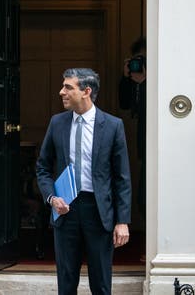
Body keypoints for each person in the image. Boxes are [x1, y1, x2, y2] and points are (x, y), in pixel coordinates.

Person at [36, 68, 131, 295]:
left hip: (98, 212)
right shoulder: (57, 123)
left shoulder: (112, 125)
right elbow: (43, 168)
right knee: (66, 282)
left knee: (100, 282)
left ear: (86, 91)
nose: (61, 92)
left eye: (68, 87)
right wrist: (52, 198)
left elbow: (122, 177)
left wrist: (122, 221)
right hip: (65, 210)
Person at [119, 37, 146, 222]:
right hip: (143, 144)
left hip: (156, 144)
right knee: (142, 193)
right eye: (137, 59)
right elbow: (124, 104)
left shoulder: (160, 80)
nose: (139, 64)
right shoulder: (135, 82)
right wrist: (126, 77)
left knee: (146, 193)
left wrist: (145, 82)